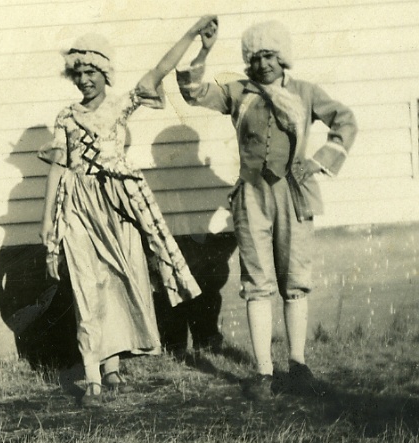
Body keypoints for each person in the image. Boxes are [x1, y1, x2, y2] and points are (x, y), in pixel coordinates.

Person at [176, 19, 357, 399]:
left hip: (295, 194)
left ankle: (298, 364)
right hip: (251, 197)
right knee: (257, 282)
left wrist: (318, 161)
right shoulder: (239, 93)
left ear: (283, 56)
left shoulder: (306, 92)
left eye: (270, 55)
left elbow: (345, 120)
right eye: (255, 57)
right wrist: (204, 49)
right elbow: (191, 91)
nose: (263, 64)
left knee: (295, 279)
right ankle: (262, 372)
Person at [38, 18, 214, 406]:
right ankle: (92, 378)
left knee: (117, 280)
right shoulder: (66, 117)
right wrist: (47, 222)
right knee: (86, 286)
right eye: (78, 73)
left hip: (119, 207)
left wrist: (191, 35)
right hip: (79, 208)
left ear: (105, 74)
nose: (85, 80)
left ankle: (112, 366)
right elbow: (58, 168)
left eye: (92, 73)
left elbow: (159, 70)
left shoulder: (120, 106)